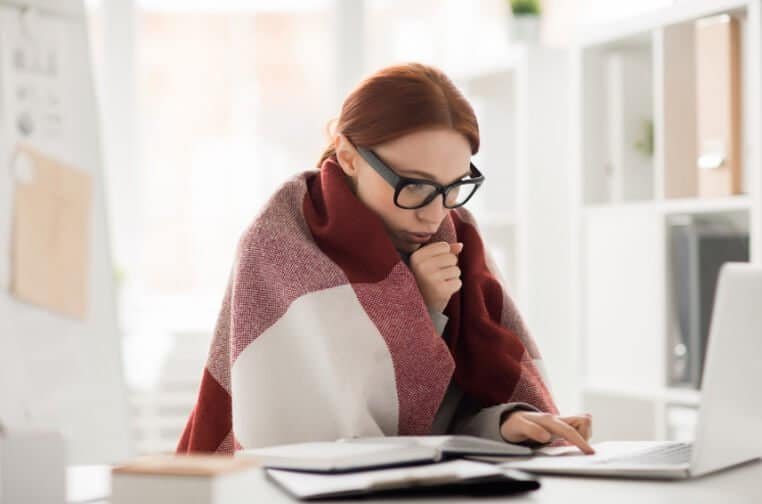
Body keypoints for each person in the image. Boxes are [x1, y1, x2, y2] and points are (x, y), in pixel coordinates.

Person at [177, 62, 593, 455]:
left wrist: (506, 424)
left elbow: (438, 426)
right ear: (348, 156)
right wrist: (421, 307)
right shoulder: (279, 245)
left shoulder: (458, 235)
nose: (434, 213)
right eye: (413, 186)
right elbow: (329, 438)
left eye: (454, 186)